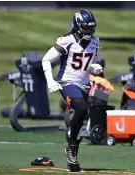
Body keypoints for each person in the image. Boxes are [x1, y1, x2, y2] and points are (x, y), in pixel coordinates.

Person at [42, 9, 104, 172]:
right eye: (85, 27)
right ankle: (71, 146)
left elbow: (84, 63)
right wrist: (50, 80)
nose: (89, 30)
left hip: (84, 85)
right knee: (82, 108)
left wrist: (93, 68)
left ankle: (72, 158)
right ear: (77, 26)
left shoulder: (95, 42)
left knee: (81, 117)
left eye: (91, 27)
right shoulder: (67, 40)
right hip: (67, 82)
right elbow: (46, 60)